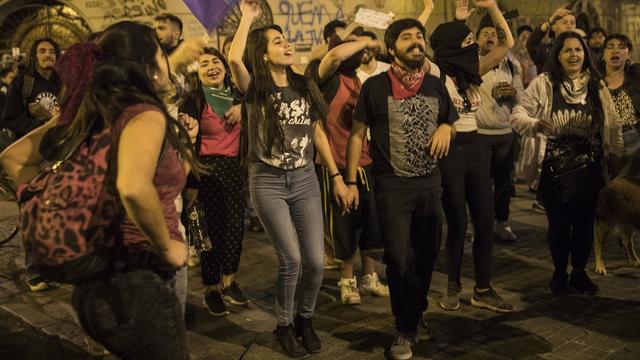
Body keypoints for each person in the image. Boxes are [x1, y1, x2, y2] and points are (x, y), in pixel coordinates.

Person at [0, 21, 200, 359]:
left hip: (93, 284)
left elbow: (14, 158)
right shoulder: (144, 115)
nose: (168, 60)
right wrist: (168, 247)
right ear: (150, 64)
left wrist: (56, 204)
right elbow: (134, 188)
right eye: (162, 53)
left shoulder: (86, 111)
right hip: (142, 278)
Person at [228, 1, 352, 357]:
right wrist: (248, 18)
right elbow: (236, 60)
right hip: (267, 181)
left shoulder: (304, 84)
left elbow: (318, 132)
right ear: (263, 55)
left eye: (285, 39)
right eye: (276, 41)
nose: (286, 44)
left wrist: (337, 177)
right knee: (291, 260)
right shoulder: (255, 88)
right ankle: (284, 324)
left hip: (304, 180)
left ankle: (305, 319)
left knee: (315, 261)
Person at [346, 17, 457, 360]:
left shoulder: (436, 85)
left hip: (429, 183)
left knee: (425, 256)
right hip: (392, 185)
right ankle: (404, 330)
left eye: (419, 36)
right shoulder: (375, 87)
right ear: (391, 48)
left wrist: (445, 129)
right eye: (407, 37)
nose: (416, 42)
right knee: (397, 258)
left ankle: (415, 312)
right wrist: (349, 182)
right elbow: (355, 135)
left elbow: (450, 121)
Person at [511, 31, 623, 296]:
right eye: (567, 50)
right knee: (559, 225)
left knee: (585, 224)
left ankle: (580, 273)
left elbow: (613, 123)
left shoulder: (597, 85)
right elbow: (518, 115)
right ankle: (559, 272)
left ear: (585, 54)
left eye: (578, 50)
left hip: (589, 169)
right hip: (554, 171)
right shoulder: (544, 83)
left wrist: (615, 156)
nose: (574, 55)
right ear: (557, 55)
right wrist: (535, 124)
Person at [430, 0, 516, 314]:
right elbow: (425, 46)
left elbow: (508, 42)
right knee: (456, 223)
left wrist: (492, 7)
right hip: (449, 154)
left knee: (483, 220)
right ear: (453, 48)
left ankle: (483, 289)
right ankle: (452, 285)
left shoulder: (472, 72)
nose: (473, 48)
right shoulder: (437, 74)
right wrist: (432, 11)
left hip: (475, 150)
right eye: (467, 43)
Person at [306, 27, 389, 306]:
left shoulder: (360, 80)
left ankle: (369, 277)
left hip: (364, 163)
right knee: (344, 224)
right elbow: (333, 56)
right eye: (352, 46)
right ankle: (347, 280)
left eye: (363, 48)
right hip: (335, 165)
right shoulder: (326, 76)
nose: (361, 51)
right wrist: (362, 39)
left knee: (371, 224)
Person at [179, 48, 248, 316]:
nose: (210, 66)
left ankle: (228, 282)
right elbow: (186, 145)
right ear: (198, 72)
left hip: (233, 170)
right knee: (207, 233)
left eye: (215, 61)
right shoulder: (193, 101)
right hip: (203, 171)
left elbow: (260, 105)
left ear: (225, 66)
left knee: (234, 228)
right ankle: (210, 288)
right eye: (204, 63)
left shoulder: (239, 96)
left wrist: (244, 108)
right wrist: (190, 182)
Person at [475, 23, 524, 243]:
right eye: (484, 33)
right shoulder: (473, 65)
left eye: (494, 34)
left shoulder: (512, 66)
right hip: (480, 134)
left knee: (504, 184)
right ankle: (481, 227)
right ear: (477, 40)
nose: (489, 37)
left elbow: (523, 98)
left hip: (505, 134)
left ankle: (502, 223)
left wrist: (513, 93)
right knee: (480, 185)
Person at [2, 38, 61, 140]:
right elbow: (10, 120)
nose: (48, 55)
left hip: (58, 146)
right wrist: (42, 125)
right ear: (35, 56)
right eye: (42, 51)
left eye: (52, 52)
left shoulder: (63, 83)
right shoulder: (21, 82)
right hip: (29, 148)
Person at [601, 34, 640, 165]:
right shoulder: (593, 81)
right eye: (610, 47)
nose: (615, 50)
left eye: (621, 47)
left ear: (628, 55)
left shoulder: (636, 74)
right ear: (603, 54)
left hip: (634, 138)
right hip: (605, 142)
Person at [527, 5, 576, 74]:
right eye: (564, 22)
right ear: (553, 27)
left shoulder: (579, 51)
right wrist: (549, 21)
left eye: (572, 23)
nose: (569, 26)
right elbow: (531, 43)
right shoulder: (544, 51)